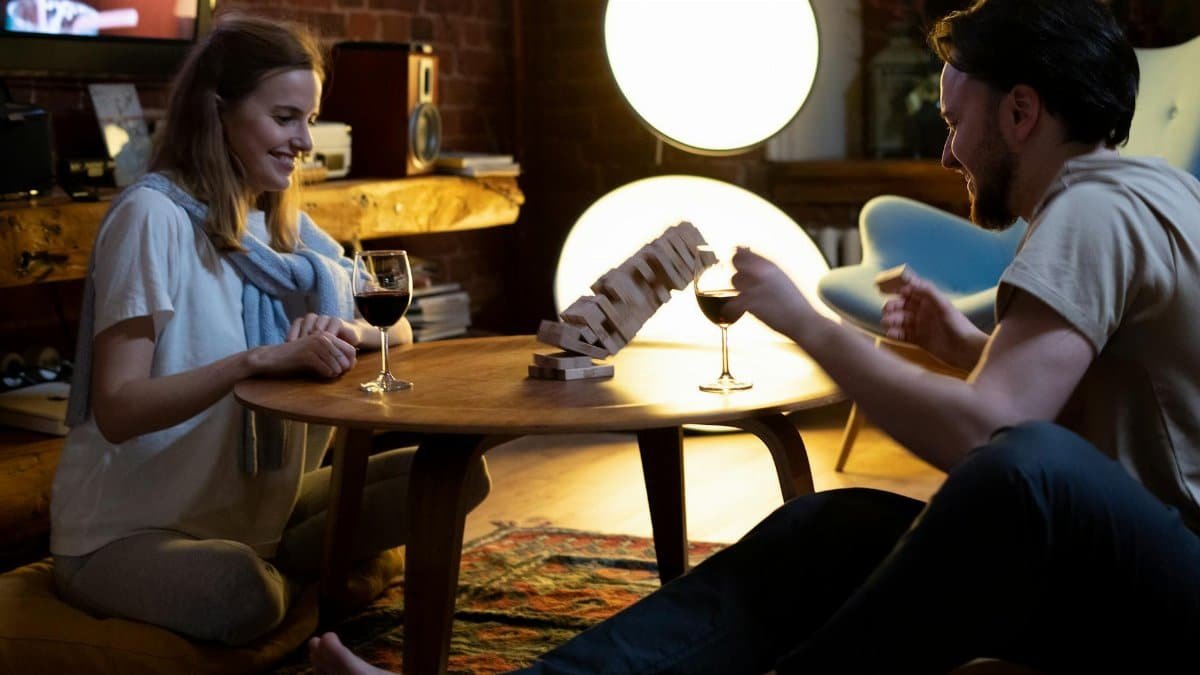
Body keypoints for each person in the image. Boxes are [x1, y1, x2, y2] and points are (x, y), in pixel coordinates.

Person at [309, 0, 1200, 673]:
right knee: (828, 527)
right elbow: (1104, 403)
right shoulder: (1148, 190)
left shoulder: (1091, 208)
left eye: (954, 119)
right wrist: (967, 348)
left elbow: (993, 439)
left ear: (1021, 114)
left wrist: (809, 321)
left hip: (1172, 594)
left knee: (1020, 470)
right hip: (1128, 563)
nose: (946, 151)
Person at [49, 14, 491, 646]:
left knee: (458, 478)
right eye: (285, 118)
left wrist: (339, 329)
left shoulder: (282, 233)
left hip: (248, 514)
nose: (304, 142)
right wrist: (257, 360)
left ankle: (292, 560)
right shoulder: (151, 218)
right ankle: (306, 572)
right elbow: (118, 409)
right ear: (217, 113)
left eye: (308, 120)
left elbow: (401, 335)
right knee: (244, 595)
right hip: (125, 534)